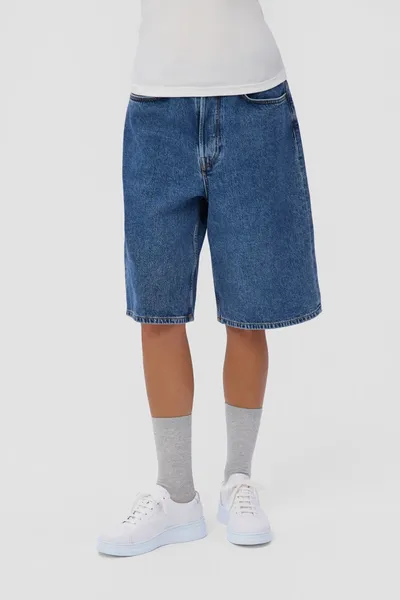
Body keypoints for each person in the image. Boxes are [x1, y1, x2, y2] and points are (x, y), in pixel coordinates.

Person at [97, 0, 321, 557]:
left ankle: (238, 480)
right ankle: (176, 496)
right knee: (157, 311)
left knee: (249, 311)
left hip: (254, 105)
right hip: (156, 112)